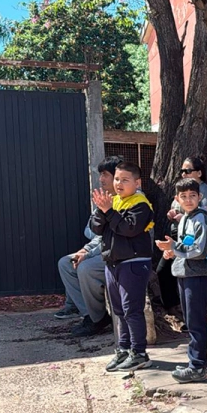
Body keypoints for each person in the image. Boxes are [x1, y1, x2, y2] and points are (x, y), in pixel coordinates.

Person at [90, 162, 155, 372]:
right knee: (118, 310)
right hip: (113, 263)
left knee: (132, 310)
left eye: (125, 180)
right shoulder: (113, 202)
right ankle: (123, 350)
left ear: (137, 183)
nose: (119, 184)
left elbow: (128, 228)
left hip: (133, 263)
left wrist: (109, 211)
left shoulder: (141, 204)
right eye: (117, 179)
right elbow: (96, 228)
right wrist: (102, 211)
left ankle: (139, 352)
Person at [155, 179, 207, 383]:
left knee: (196, 322)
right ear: (177, 199)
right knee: (191, 321)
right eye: (183, 196)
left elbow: (200, 250)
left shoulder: (201, 219)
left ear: (200, 197)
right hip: (184, 274)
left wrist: (175, 249)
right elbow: (185, 245)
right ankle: (201, 359)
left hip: (196, 276)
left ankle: (197, 365)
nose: (188, 199)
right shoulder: (184, 219)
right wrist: (172, 251)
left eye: (192, 195)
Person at [56, 156, 119, 337]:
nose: (101, 179)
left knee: (86, 268)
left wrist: (88, 254)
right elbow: (97, 235)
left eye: (105, 174)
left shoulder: (130, 200)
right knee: (66, 263)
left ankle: (97, 318)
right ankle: (92, 316)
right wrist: (85, 250)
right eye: (100, 174)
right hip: (103, 249)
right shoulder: (105, 198)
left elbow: (115, 237)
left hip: (121, 254)